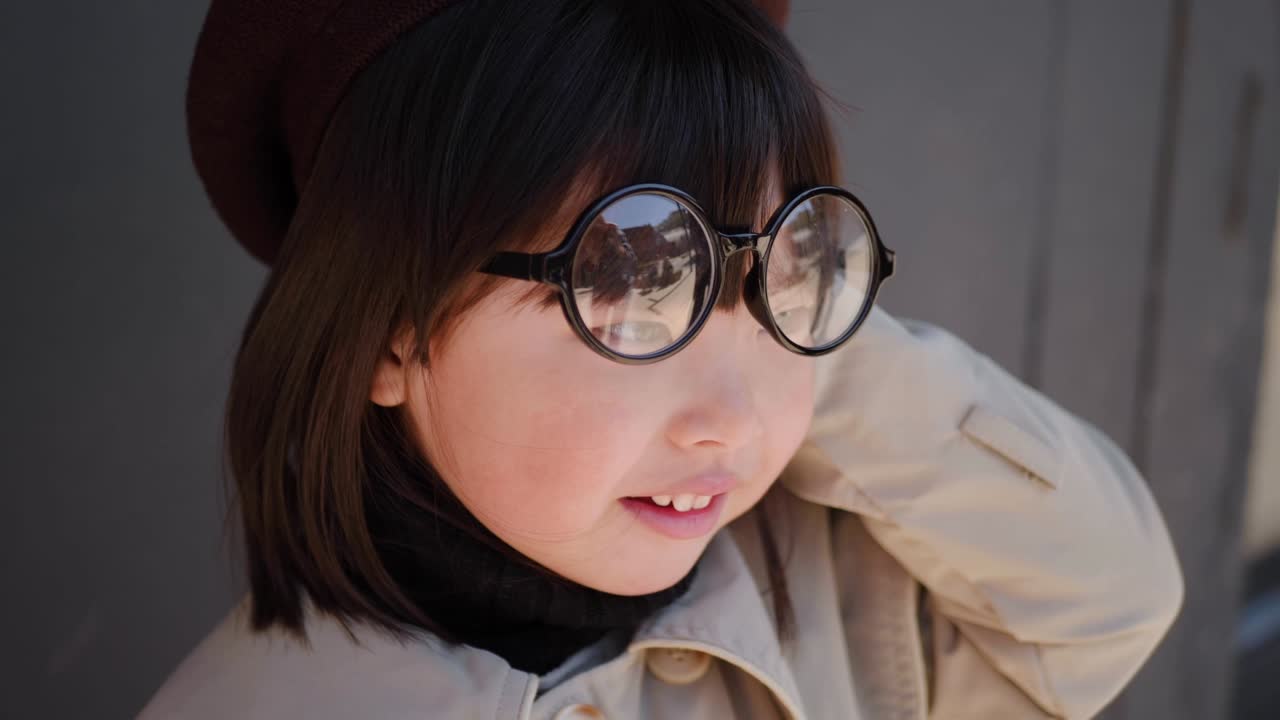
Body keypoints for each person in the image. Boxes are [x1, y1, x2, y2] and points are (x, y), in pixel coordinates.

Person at [140, 1, 1184, 718]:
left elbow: (1104, 603)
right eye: (633, 286)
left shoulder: (839, 586)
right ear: (389, 330)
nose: (729, 419)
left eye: (786, 273)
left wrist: (805, 329)